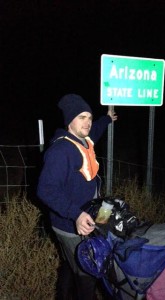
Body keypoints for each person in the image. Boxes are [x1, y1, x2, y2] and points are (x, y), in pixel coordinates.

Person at [37, 93, 117, 300]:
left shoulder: (83, 140)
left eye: (89, 117)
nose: (88, 122)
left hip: (84, 217)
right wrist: (77, 214)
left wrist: (106, 118)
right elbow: (46, 189)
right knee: (87, 273)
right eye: (81, 117)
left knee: (70, 264)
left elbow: (95, 132)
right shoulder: (62, 150)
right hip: (70, 224)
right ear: (69, 121)